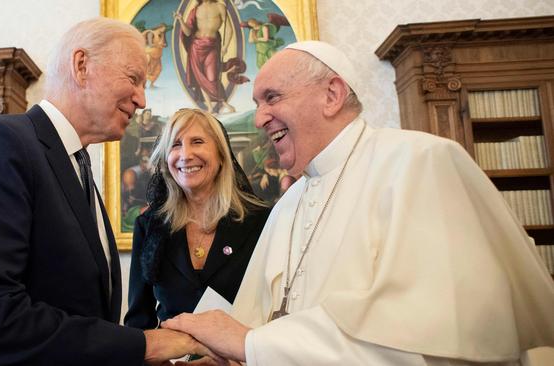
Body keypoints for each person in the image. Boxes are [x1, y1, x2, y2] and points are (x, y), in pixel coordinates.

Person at [162, 41, 554, 365]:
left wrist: (252, 346)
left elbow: (431, 344)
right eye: (258, 102)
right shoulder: (289, 203)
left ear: (331, 94)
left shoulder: (419, 163)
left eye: (272, 97)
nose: (260, 116)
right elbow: (255, 323)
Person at [0, 18, 218, 366]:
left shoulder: (76, 167)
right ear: (81, 66)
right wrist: (145, 344)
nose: (142, 99)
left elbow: (80, 327)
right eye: (133, 79)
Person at [124, 108, 270, 330]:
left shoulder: (261, 221)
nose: (185, 154)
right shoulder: (149, 226)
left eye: (197, 141)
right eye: (175, 144)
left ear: (221, 155)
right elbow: (138, 320)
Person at [174, 0, 236, 114]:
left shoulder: (220, 7)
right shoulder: (195, 10)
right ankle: (210, 108)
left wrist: (225, 46)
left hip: (212, 45)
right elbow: (187, 33)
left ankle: (224, 103)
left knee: (212, 77)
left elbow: (229, 29)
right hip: (196, 46)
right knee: (200, 77)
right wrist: (181, 20)